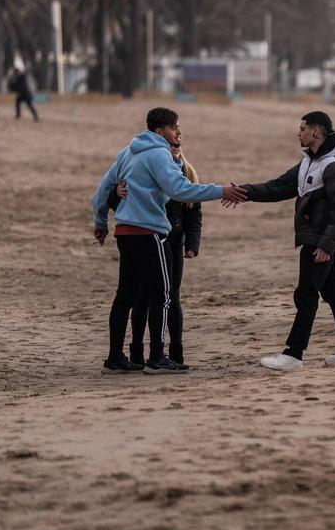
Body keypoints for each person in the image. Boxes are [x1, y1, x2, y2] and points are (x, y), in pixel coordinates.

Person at [92, 107, 234, 376]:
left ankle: (114, 358)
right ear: (160, 131)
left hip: (124, 233)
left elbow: (100, 193)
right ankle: (157, 358)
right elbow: (180, 190)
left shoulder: (127, 152)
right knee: (163, 295)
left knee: (125, 296)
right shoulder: (159, 154)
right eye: (174, 127)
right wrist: (221, 190)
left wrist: (100, 224)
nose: (178, 131)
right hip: (150, 234)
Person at [224, 111, 335, 370]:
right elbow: (277, 187)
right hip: (316, 239)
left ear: (316, 132)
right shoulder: (310, 162)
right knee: (334, 292)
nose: (298, 133)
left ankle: (293, 354)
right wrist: (244, 192)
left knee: (306, 295)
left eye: (302, 128)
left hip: (319, 242)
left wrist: (327, 246)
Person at [108, 143, 202, 370]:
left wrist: (192, 244)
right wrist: (115, 194)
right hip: (149, 240)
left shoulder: (186, 173)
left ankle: (176, 353)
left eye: (179, 146)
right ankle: (138, 354)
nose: (175, 149)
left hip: (173, 242)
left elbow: (194, 213)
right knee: (142, 298)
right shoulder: (144, 171)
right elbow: (122, 204)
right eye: (170, 146)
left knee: (172, 298)